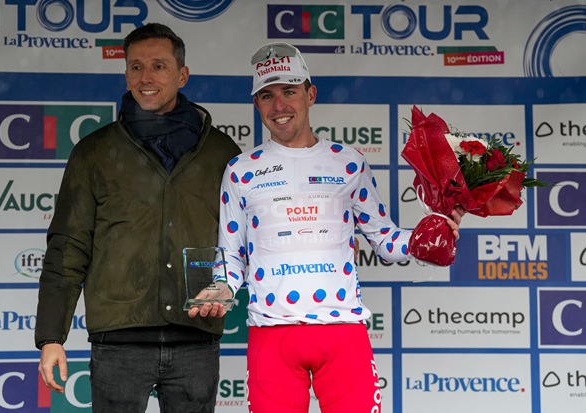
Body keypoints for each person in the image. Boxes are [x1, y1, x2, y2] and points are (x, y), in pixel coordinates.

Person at [191, 42, 464, 412]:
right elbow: (232, 255)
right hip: (272, 336)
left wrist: (428, 235)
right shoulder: (241, 170)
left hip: (343, 334)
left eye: (289, 91)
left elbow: (384, 240)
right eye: (267, 96)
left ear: (311, 95)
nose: (279, 106)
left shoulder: (348, 163)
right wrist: (222, 286)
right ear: (257, 104)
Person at [34, 23, 241, 413]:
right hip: (118, 343)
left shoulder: (222, 153)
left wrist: (226, 286)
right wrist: (51, 337)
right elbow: (67, 247)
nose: (146, 77)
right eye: (136, 67)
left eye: (159, 66)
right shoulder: (94, 152)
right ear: (126, 74)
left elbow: (242, 241)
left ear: (182, 75)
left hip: (195, 338)